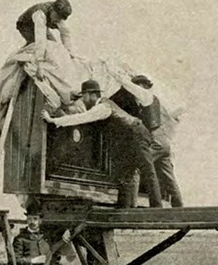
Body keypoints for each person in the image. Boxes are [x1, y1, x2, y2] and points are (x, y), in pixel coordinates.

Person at [42, 79, 163, 208]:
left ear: (92, 95)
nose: (83, 101)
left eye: (84, 97)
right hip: (131, 139)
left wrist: (53, 120)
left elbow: (80, 118)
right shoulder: (104, 105)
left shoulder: (103, 107)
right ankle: (124, 209)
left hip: (137, 135)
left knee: (147, 170)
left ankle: (157, 207)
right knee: (126, 174)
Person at [129, 74, 183, 207]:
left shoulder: (145, 97)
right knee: (168, 177)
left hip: (156, 140)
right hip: (164, 142)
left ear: (141, 86)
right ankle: (179, 207)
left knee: (136, 167)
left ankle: (132, 205)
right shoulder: (156, 100)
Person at [16, 0, 74, 79]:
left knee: (54, 47)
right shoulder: (39, 14)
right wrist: (40, 65)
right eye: (57, 17)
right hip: (26, 25)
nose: (57, 20)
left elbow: (65, 33)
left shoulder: (58, 17)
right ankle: (22, 57)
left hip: (42, 26)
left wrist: (69, 52)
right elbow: (40, 39)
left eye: (60, 19)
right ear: (53, 9)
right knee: (39, 46)